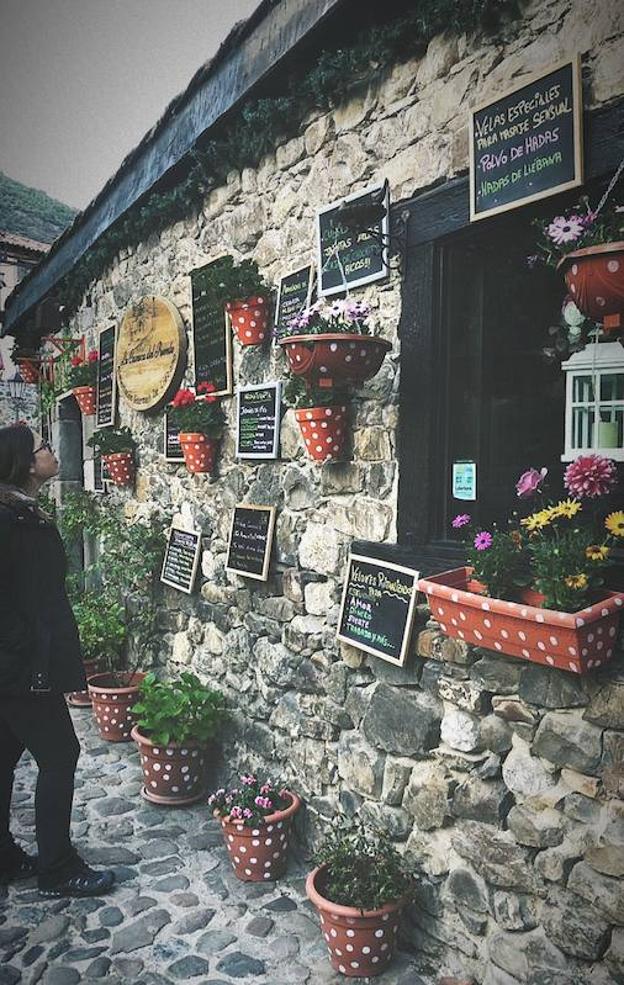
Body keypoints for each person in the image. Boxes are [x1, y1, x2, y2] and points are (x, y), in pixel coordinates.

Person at [0, 423, 115, 897]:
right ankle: (58, 867)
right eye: (44, 447)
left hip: (18, 664)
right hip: (20, 669)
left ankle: (4, 857)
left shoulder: (19, 514)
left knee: (5, 757)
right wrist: (25, 659)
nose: (51, 451)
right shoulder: (8, 521)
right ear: (28, 464)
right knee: (60, 754)